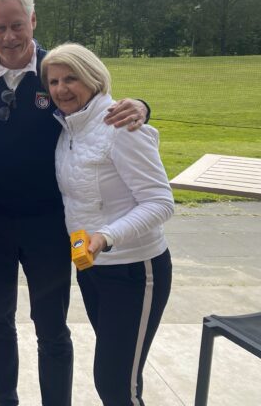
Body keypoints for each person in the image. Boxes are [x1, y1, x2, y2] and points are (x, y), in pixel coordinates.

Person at [0, 0, 149, 406]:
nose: (9, 36)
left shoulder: (56, 71)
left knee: (51, 327)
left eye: (17, 25)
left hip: (50, 225)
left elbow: (105, 104)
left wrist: (142, 106)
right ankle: (3, 398)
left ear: (34, 21)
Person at [42, 43, 173, 406]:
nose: (62, 89)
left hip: (136, 270)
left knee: (115, 386)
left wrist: (106, 236)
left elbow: (161, 202)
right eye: (53, 81)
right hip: (93, 269)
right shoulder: (69, 127)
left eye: (72, 78)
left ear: (94, 78)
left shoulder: (120, 124)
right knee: (123, 379)